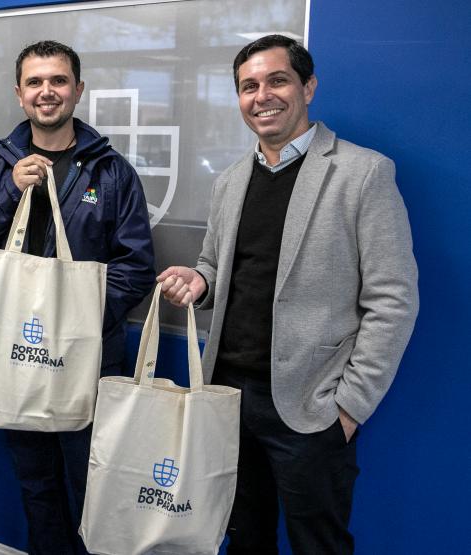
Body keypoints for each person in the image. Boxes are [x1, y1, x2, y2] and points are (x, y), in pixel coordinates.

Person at [158, 35, 419, 554]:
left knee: (317, 543)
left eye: (277, 80)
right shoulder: (230, 181)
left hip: (309, 407)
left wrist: (348, 407)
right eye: (248, 86)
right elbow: (215, 264)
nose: (262, 96)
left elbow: (393, 299)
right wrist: (200, 282)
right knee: (243, 537)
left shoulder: (363, 172)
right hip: (228, 395)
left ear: (308, 86)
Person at [0, 40, 155, 554]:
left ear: (77, 90)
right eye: (36, 82)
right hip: (15, 355)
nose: (48, 92)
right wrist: (7, 194)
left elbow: (135, 267)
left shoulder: (111, 171)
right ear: (20, 94)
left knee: (94, 484)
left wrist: (80, 317)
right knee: (36, 485)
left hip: (88, 360)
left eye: (59, 81)